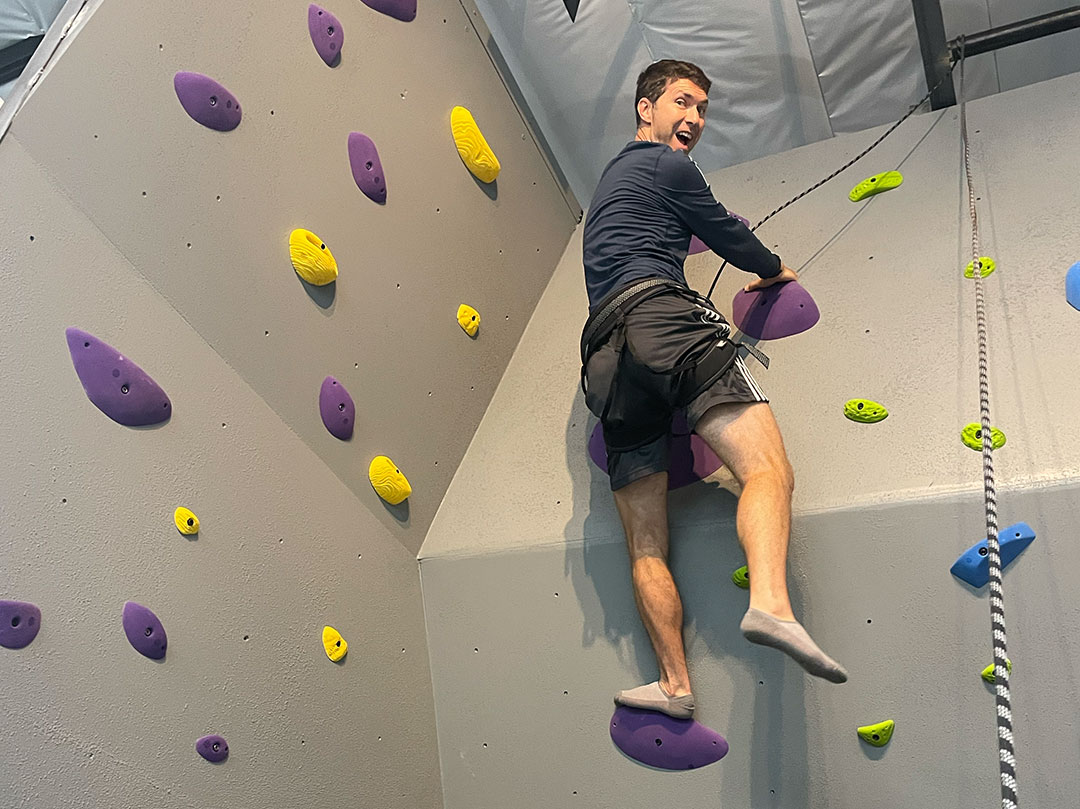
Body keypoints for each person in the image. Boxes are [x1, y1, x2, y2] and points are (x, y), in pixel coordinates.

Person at [580, 59, 847, 720]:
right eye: (682, 102)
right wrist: (774, 269)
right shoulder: (664, 165)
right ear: (645, 108)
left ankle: (674, 685)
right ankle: (771, 604)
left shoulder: (608, 189)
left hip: (604, 361)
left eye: (702, 109)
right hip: (663, 321)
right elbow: (725, 232)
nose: (694, 118)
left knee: (645, 543)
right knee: (768, 470)